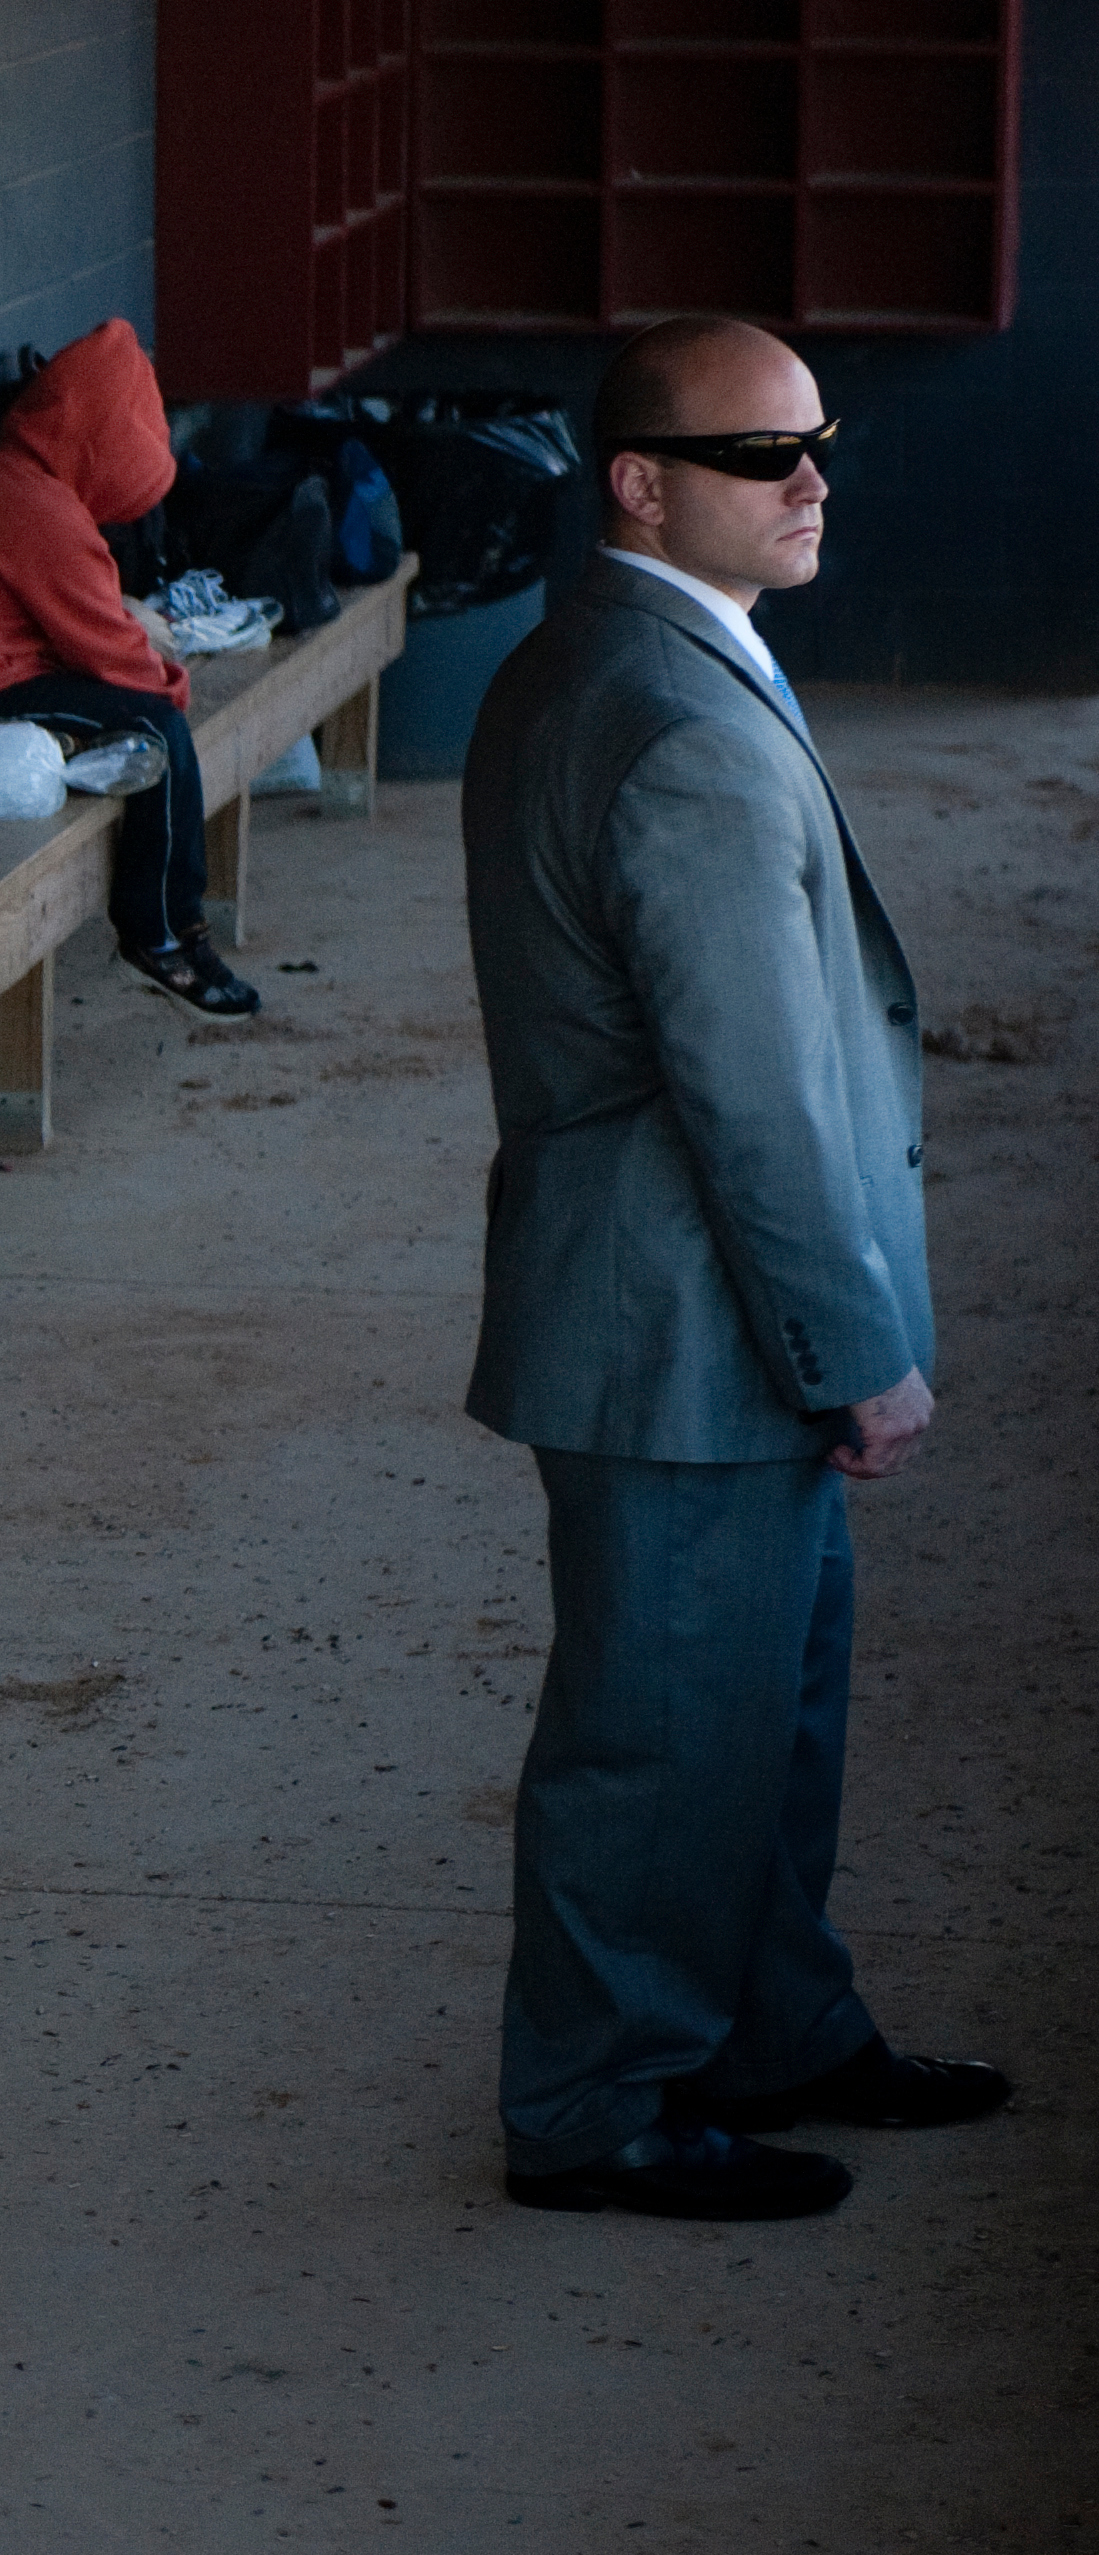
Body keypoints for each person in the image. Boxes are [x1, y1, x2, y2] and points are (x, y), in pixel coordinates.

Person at [460, 314, 1006, 2222]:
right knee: (653, 1742)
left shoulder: (627, 652)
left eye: (816, 443)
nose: (809, 482)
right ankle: (597, 2108)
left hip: (691, 1326)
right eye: (760, 453)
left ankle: (775, 2024)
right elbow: (752, 1093)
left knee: (763, 1709)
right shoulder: (673, 721)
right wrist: (855, 1346)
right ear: (636, 482)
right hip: (681, 1334)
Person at [0, 315, 255, 1019]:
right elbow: (113, 656)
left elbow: (88, 621)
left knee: (144, 721)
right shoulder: (32, 505)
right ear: (97, 441)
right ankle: (160, 935)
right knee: (157, 730)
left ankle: (180, 928)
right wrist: (173, 681)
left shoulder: (11, 479)